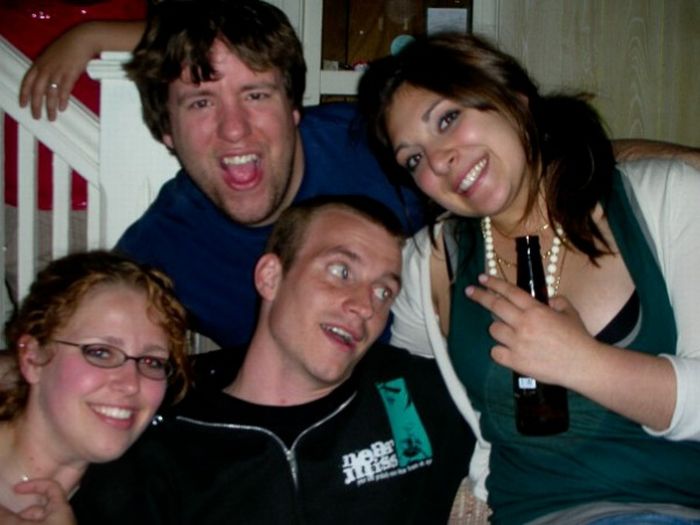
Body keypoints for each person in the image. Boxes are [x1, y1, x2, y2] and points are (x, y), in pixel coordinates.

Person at [17, 0, 700, 352]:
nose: (234, 130)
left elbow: (534, 160)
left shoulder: (370, 142)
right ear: (166, 133)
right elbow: (61, 349)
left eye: (256, 95)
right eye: (199, 104)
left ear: (294, 108)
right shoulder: (160, 248)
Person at [357, 33, 700, 524]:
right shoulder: (429, 261)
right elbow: (398, 386)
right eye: (413, 158)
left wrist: (584, 364)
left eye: (448, 119)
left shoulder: (666, 199)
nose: (438, 161)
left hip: (668, 509)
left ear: (513, 98)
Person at [69, 195, 475, 524]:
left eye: (384, 291)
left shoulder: (405, 395)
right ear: (270, 277)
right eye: (341, 271)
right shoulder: (167, 441)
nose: (364, 306)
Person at [0, 250, 189, 523]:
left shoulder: (153, 497)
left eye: (152, 361)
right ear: (32, 358)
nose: (130, 384)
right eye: (100, 352)